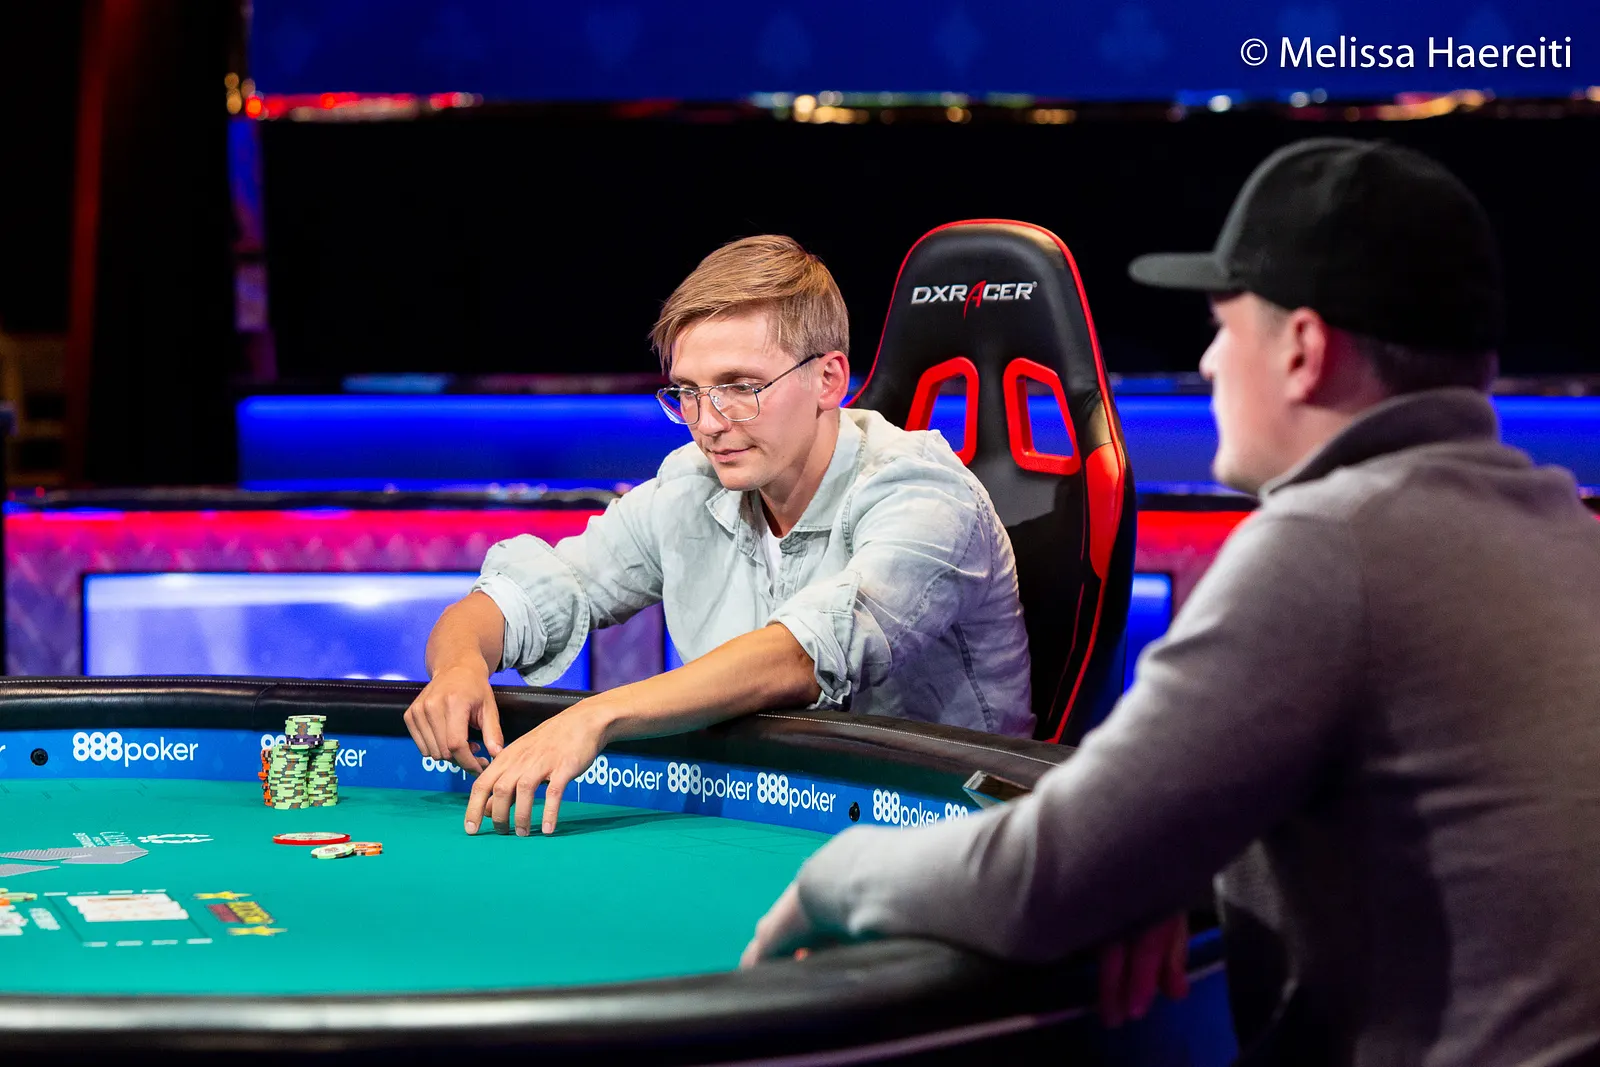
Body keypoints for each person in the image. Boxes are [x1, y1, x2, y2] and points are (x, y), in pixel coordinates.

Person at [742, 138, 1600, 1066]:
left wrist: (833, 875)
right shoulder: (1564, 526)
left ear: (1303, 351)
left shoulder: (1328, 542)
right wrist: (1166, 869)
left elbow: (1047, 874)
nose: (1210, 360)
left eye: (1226, 327)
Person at [404, 234, 1033, 838]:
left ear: (828, 380)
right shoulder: (691, 484)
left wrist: (597, 714)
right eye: (688, 393)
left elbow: (803, 655)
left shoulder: (926, 495)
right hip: (763, 816)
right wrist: (459, 665)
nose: (707, 424)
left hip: (956, 838)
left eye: (740, 388)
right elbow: (533, 592)